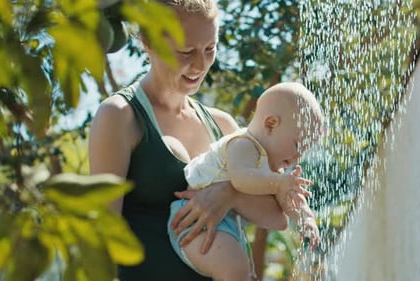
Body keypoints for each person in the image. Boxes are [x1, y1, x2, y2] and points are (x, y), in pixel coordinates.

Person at [88, 0, 288, 280]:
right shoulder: (120, 116)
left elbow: (275, 216)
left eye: (210, 49)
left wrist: (228, 193)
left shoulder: (223, 125)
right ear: (148, 42)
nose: (200, 64)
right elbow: (101, 241)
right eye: (186, 51)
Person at [168, 82, 323, 280]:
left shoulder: (273, 168)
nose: (298, 157)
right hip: (196, 219)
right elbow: (241, 180)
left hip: (226, 224)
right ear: (270, 124)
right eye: (297, 145)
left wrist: (305, 218)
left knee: (244, 274)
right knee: (235, 271)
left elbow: (288, 200)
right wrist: (279, 183)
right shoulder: (243, 145)